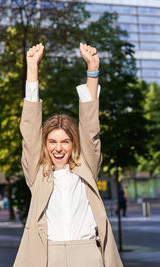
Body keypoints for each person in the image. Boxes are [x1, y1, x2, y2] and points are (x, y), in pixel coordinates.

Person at [13, 43, 123, 267]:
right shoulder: (38, 173)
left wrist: (92, 71)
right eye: (52, 141)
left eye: (65, 141)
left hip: (87, 256)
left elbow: (91, 128)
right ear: (45, 144)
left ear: (74, 144)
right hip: (48, 255)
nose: (58, 147)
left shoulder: (86, 168)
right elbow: (29, 131)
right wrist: (32, 68)